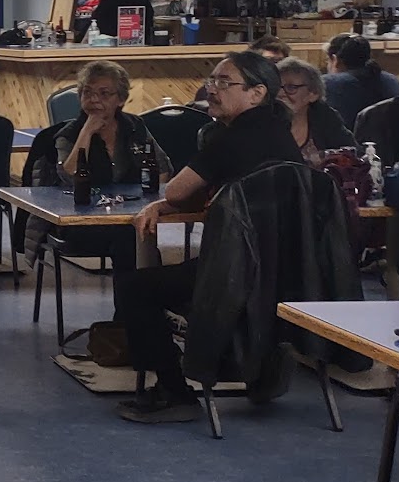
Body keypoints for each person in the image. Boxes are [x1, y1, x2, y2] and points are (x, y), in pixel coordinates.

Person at [120, 51, 301, 423]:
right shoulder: (283, 139)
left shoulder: (231, 139)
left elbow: (176, 191)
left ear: (256, 93)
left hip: (233, 277)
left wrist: (164, 205)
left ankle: (175, 391)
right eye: (211, 80)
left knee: (136, 287)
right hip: (288, 277)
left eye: (223, 82)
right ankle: (256, 363)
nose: (211, 89)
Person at [44, 60, 171, 273]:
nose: (94, 100)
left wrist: (149, 201)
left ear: (120, 99)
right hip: (80, 222)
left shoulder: (134, 126)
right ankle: (136, 304)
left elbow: (163, 168)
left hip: (131, 215)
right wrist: (87, 132)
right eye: (87, 92)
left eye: (104, 94)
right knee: (130, 241)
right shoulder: (68, 134)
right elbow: (69, 175)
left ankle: (141, 301)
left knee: (135, 239)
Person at [278, 56, 353, 166]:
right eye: (276, 87)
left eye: (291, 87)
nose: (280, 94)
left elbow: (351, 154)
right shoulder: (263, 120)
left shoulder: (325, 117)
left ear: (313, 94)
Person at [324, 32, 399, 126]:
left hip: (349, 140)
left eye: (327, 60)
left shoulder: (328, 84)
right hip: (392, 139)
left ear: (335, 59)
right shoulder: (392, 81)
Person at [193, 36, 289, 104]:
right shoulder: (209, 91)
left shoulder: (288, 92)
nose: (276, 67)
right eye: (270, 61)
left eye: (281, 62)